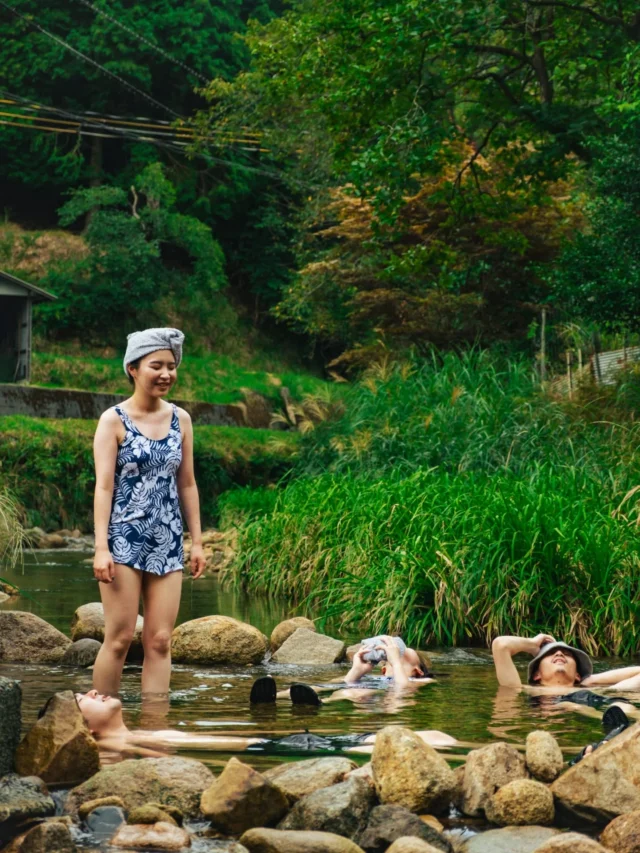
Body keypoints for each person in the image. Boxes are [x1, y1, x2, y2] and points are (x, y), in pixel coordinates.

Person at [92, 328, 206, 698]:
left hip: (168, 540)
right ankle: (102, 721)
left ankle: (155, 725)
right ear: (133, 368)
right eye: (156, 365)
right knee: (119, 638)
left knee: (159, 640)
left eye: (171, 366)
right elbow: (104, 487)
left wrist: (197, 542)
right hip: (122, 540)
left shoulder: (180, 419)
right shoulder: (113, 420)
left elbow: (187, 483)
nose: (166, 374)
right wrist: (101, 548)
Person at [75, 689, 457, 758]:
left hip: (274, 741)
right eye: (83, 699)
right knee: (430, 740)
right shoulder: (116, 744)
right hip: (269, 748)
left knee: (436, 735)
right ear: (86, 730)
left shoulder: (134, 735)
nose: (93, 691)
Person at [250, 636, 434, 705]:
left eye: (404, 655)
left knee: (353, 692)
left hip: (384, 696)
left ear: (417, 671)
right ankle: (274, 696)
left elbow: (403, 688)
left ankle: (321, 702)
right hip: (374, 686)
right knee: (327, 684)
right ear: (384, 670)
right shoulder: (378, 677)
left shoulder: (422, 680)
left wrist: (396, 662)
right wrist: (356, 671)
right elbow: (346, 682)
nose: (396, 652)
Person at [492, 633, 640, 694]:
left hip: (595, 710)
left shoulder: (598, 692)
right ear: (537, 675)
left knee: (622, 706)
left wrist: (590, 680)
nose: (559, 653)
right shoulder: (522, 690)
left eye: (567, 654)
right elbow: (501, 645)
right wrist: (532, 645)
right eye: (550, 653)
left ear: (577, 675)